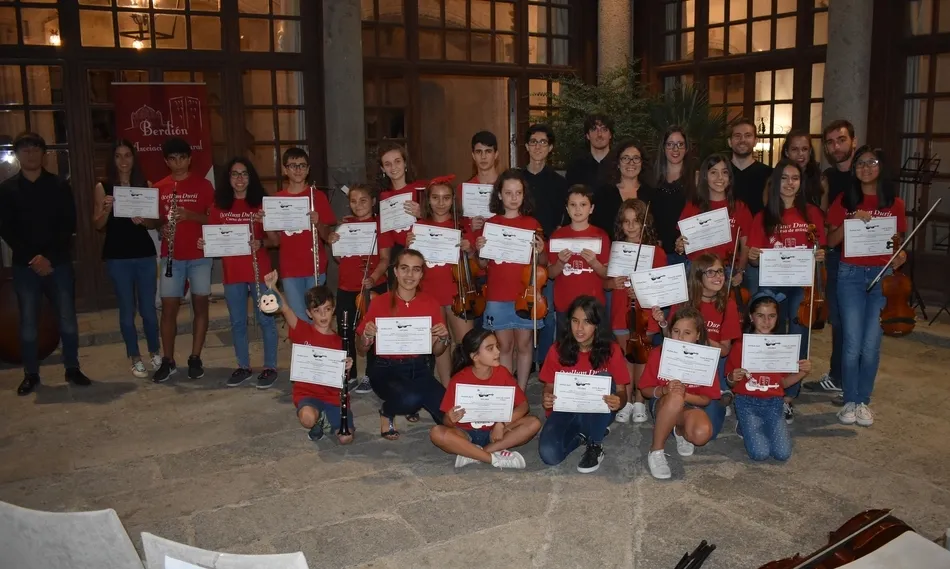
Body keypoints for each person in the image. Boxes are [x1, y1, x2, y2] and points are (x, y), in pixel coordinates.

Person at [0, 132, 89, 395]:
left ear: (43, 153)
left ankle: (72, 367)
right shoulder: (6, 190)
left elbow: (67, 225)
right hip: (25, 266)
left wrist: (47, 256)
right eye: (25, 150)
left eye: (35, 149)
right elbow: (7, 229)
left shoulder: (59, 186)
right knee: (28, 321)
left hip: (58, 263)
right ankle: (31, 373)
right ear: (17, 155)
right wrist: (33, 258)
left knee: (67, 318)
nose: (31, 154)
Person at [827, 146, 906, 427]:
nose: (865, 167)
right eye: (860, 163)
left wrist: (900, 256)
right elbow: (831, 241)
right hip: (850, 275)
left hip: (881, 277)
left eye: (871, 162)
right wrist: (850, 220)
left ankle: (863, 401)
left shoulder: (895, 203)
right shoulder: (844, 200)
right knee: (851, 344)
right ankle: (849, 399)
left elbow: (897, 245)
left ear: (881, 167)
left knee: (871, 345)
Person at [747, 159, 826, 423]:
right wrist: (754, 256)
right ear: (776, 182)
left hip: (802, 286)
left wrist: (819, 255)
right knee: (773, 335)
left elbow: (819, 249)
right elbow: (755, 259)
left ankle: (788, 396)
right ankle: (766, 387)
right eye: (784, 178)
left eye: (795, 178)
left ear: (801, 183)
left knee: (800, 336)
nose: (790, 183)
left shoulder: (812, 214)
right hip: (773, 284)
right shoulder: (764, 216)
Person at [357, 249, 452, 440]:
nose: (410, 275)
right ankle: (386, 411)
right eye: (404, 268)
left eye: (416, 270)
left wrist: (443, 338)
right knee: (411, 400)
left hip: (419, 368)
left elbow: (437, 351)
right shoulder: (380, 302)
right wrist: (367, 336)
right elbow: (361, 349)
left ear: (422, 274)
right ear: (395, 272)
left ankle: (417, 400)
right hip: (386, 370)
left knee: (450, 415)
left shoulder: (430, 303)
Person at [201, 158, 279, 389]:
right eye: (235, 174)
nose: (240, 178)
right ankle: (243, 366)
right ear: (228, 179)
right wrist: (204, 242)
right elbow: (213, 240)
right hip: (232, 273)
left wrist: (262, 241)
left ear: (251, 177)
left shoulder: (262, 205)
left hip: (259, 271)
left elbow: (276, 241)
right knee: (237, 323)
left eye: (244, 174)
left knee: (266, 320)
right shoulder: (218, 207)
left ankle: (270, 367)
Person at [649, 253, 738, 438]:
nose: (718, 277)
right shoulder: (684, 301)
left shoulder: (728, 304)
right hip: (681, 364)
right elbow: (671, 340)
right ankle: (678, 414)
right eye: (711, 272)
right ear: (698, 276)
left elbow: (725, 351)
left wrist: (700, 339)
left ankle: (719, 391)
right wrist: (664, 324)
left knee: (707, 434)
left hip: (709, 367)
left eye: (720, 271)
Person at [92, 139, 161, 379]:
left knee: (149, 309)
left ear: (134, 158)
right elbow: (98, 224)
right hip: (117, 256)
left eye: (127, 155)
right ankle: (134, 356)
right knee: (126, 310)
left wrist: (145, 219)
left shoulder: (145, 185)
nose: (123, 161)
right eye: (118, 156)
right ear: (112, 160)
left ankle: (154, 351)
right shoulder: (103, 187)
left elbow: (155, 223)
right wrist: (106, 210)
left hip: (143, 254)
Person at [473, 169, 546, 390]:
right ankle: (506, 390)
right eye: (508, 193)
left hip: (525, 294)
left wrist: (541, 249)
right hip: (498, 294)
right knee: (504, 346)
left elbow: (542, 262)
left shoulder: (533, 223)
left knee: (524, 345)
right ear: (499, 195)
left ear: (524, 195)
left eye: (518, 193)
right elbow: (484, 265)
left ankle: (520, 390)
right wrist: (479, 251)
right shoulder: (491, 224)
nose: (514, 198)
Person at [538, 296, 628, 473]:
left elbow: (622, 392)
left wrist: (619, 401)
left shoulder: (611, 350)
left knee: (603, 377)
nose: (579, 328)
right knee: (549, 455)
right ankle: (582, 437)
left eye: (587, 322)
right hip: (565, 409)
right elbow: (548, 385)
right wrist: (547, 396)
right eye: (575, 321)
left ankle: (594, 444)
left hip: (597, 411)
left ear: (597, 325)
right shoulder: (556, 350)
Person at [263, 270, 355, 444]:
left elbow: (343, 379)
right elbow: (285, 308)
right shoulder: (302, 330)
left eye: (327, 309)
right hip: (308, 394)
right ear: (309, 313)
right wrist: (272, 285)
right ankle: (317, 421)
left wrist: (347, 368)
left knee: (346, 439)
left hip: (333, 397)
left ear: (333, 310)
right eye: (317, 310)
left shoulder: (339, 341)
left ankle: (326, 421)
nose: (323, 315)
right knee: (307, 418)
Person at [430, 328, 542, 469]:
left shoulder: (502, 373)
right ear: (475, 356)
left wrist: (501, 424)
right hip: (465, 433)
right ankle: (492, 458)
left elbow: (523, 406)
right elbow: (447, 421)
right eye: (490, 349)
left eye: (497, 346)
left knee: (533, 423)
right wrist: (450, 418)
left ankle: (473, 453)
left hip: (495, 433)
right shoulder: (459, 379)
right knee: (436, 433)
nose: (498, 352)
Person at [153, 137, 214, 383]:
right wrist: (161, 230)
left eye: (182, 158)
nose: (178, 163)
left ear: (190, 159)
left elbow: (213, 220)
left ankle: (195, 357)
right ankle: (168, 360)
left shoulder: (204, 186)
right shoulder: (159, 187)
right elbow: (155, 221)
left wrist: (190, 215)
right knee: (168, 309)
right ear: (166, 161)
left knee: (200, 306)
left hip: (199, 256)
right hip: (171, 258)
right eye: (173, 159)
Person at [804, 119, 858, 397]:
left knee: (856, 324)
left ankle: (851, 380)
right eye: (831, 142)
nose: (836, 146)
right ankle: (838, 376)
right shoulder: (826, 177)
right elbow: (823, 222)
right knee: (838, 321)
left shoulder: (866, 174)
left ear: (854, 141)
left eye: (841, 140)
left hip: (862, 261)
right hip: (836, 257)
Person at [726, 292, 811, 461]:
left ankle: (760, 425)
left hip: (774, 403)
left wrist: (802, 372)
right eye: (760, 316)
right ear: (751, 317)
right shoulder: (740, 345)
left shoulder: (782, 346)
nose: (766, 321)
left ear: (777, 317)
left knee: (782, 453)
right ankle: (744, 425)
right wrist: (731, 377)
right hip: (747, 402)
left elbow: (783, 382)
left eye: (771, 316)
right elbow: (732, 386)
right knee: (760, 453)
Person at [407, 178, 475, 386]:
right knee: (440, 344)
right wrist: (409, 245)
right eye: (435, 198)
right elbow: (411, 264)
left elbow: (477, 263)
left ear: (453, 200)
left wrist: (469, 249)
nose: (441, 202)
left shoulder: (463, 226)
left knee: (466, 344)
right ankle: (447, 388)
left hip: (458, 292)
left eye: (446, 198)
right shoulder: (420, 226)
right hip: (430, 292)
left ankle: (465, 387)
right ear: (428, 200)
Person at [640, 306, 720, 479]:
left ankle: (679, 430)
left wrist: (685, 395)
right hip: (663, 403)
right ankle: (656, 450)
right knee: (675, 397)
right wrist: (664, 390)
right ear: (670, 331)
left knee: (701, 434)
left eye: (687, 332)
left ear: (698, 335)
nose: (680, 337)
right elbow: (645, 390)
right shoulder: (659, 353)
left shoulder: (706, 358)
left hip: (690, 405)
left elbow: (706, 399)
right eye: (676, 331)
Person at [606, 199, 667, 424]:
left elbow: (662, 286)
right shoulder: (616, 250)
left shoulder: (656, 252)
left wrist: (641, 291)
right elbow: (605, 283)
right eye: (626, 222)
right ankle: (628, 399)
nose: (631, 227)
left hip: (646, 313)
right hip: (621, 309)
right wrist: (613, 284)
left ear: (645, 224)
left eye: (636, 221)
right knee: (625, 357)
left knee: (642, 356)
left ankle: (640, 399)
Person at [327, 184, 391, 395]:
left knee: (372, 331)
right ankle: (350, 373)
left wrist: (373, 278)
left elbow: (385, 259)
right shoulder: (345, 225)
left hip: (373, 286)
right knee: (345, 330)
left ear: (373, 202)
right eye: (354, 201)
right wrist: (334, 242)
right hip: (346, 286)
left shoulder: (380, 225)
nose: (358, 205)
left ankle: (371, 375)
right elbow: (339, 258)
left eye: (363, 200)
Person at [266, 148, 336, 324]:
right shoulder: (276, 200)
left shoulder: (317, 196)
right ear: (285, 169)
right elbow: (275, 242)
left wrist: (318, 222)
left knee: (318, 316)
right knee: (298, 318)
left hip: (314, 267)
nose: (297, 170)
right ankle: (303, 351)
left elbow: (328, 236)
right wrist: (267, 223)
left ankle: (319, 350)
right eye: (293, 165)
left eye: (302, 165)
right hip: (290, 268)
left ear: (308, 169)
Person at [521, 123, 568, 370]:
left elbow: (565, 218)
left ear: (550, 148)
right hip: (518, 252)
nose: (538, 146)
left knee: (546, 309)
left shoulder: (560, 183)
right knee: (521, 308)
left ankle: (545, 363)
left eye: (543, 142)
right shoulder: (516, 178)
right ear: (527, 146)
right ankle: (524, 361)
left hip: (547, 253)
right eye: (533, 141)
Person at [675, 153, 752, 290]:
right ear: (705, 176)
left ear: (730, 177)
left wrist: (740, 271)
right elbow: (682, 241)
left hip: (725, 271)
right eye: (713, 173)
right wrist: (680, 246)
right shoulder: (692, 206)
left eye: (724, 172)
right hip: (696, 270)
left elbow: (746, 245)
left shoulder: (740, 207)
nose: (720, 178)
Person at [548, 185, 611, 322]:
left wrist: (594, 262)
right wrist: (560, 263)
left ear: (591, 208)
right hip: (565, 305)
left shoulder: (601, 236)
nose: (578, 209)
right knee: (566, 343)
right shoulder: (557, 236)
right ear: (567, 208)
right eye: (573, 205)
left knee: (595, 343)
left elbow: (606, 274)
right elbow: (550, 274)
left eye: (583, 204)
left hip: (593, 305)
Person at [376, 141, 427, 263]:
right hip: (400, 255)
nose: (393, 168)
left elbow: (443, 218)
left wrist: (423, 214)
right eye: (387, 164)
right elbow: (385, 235)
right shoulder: (384, 197)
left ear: (405, 163)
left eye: (397, 161)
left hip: (426, 251)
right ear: (382, 169)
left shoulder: (423, 188)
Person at [650, 126, 692, 265]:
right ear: (663, 148)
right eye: (670, 144)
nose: (675, 149)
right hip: (657, 254)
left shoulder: (696, 179)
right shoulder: (651, 179)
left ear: (686, 148)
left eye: (680, 144)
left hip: (687, 254)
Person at [591, 141, 651, 235]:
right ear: (618, 163)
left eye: (636, 158)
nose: (631, 163)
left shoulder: (652, 194)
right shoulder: (603, 194)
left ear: (642, 163)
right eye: (625, 158)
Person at [763, 129, 828, 211]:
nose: (800, 154)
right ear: (787, 152)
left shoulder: (821, 180)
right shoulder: (773, 180)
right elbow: (767, 214)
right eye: (794, 149)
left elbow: (822, 216)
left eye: (804, 149)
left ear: (810, 151)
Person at [728, 118, 773, 217]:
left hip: (758, 230)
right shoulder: (721, 173)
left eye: (748, 135)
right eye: (737, 136)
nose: (742, 140)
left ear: (755, 141)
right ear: (730, 142)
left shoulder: (769, 174)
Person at [565, 114, 613, 189]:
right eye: (594, 129)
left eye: (604, 130)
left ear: (610, 135)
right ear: (587, 135)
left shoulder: (620, 164)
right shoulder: (576, 167)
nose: (599, 134)